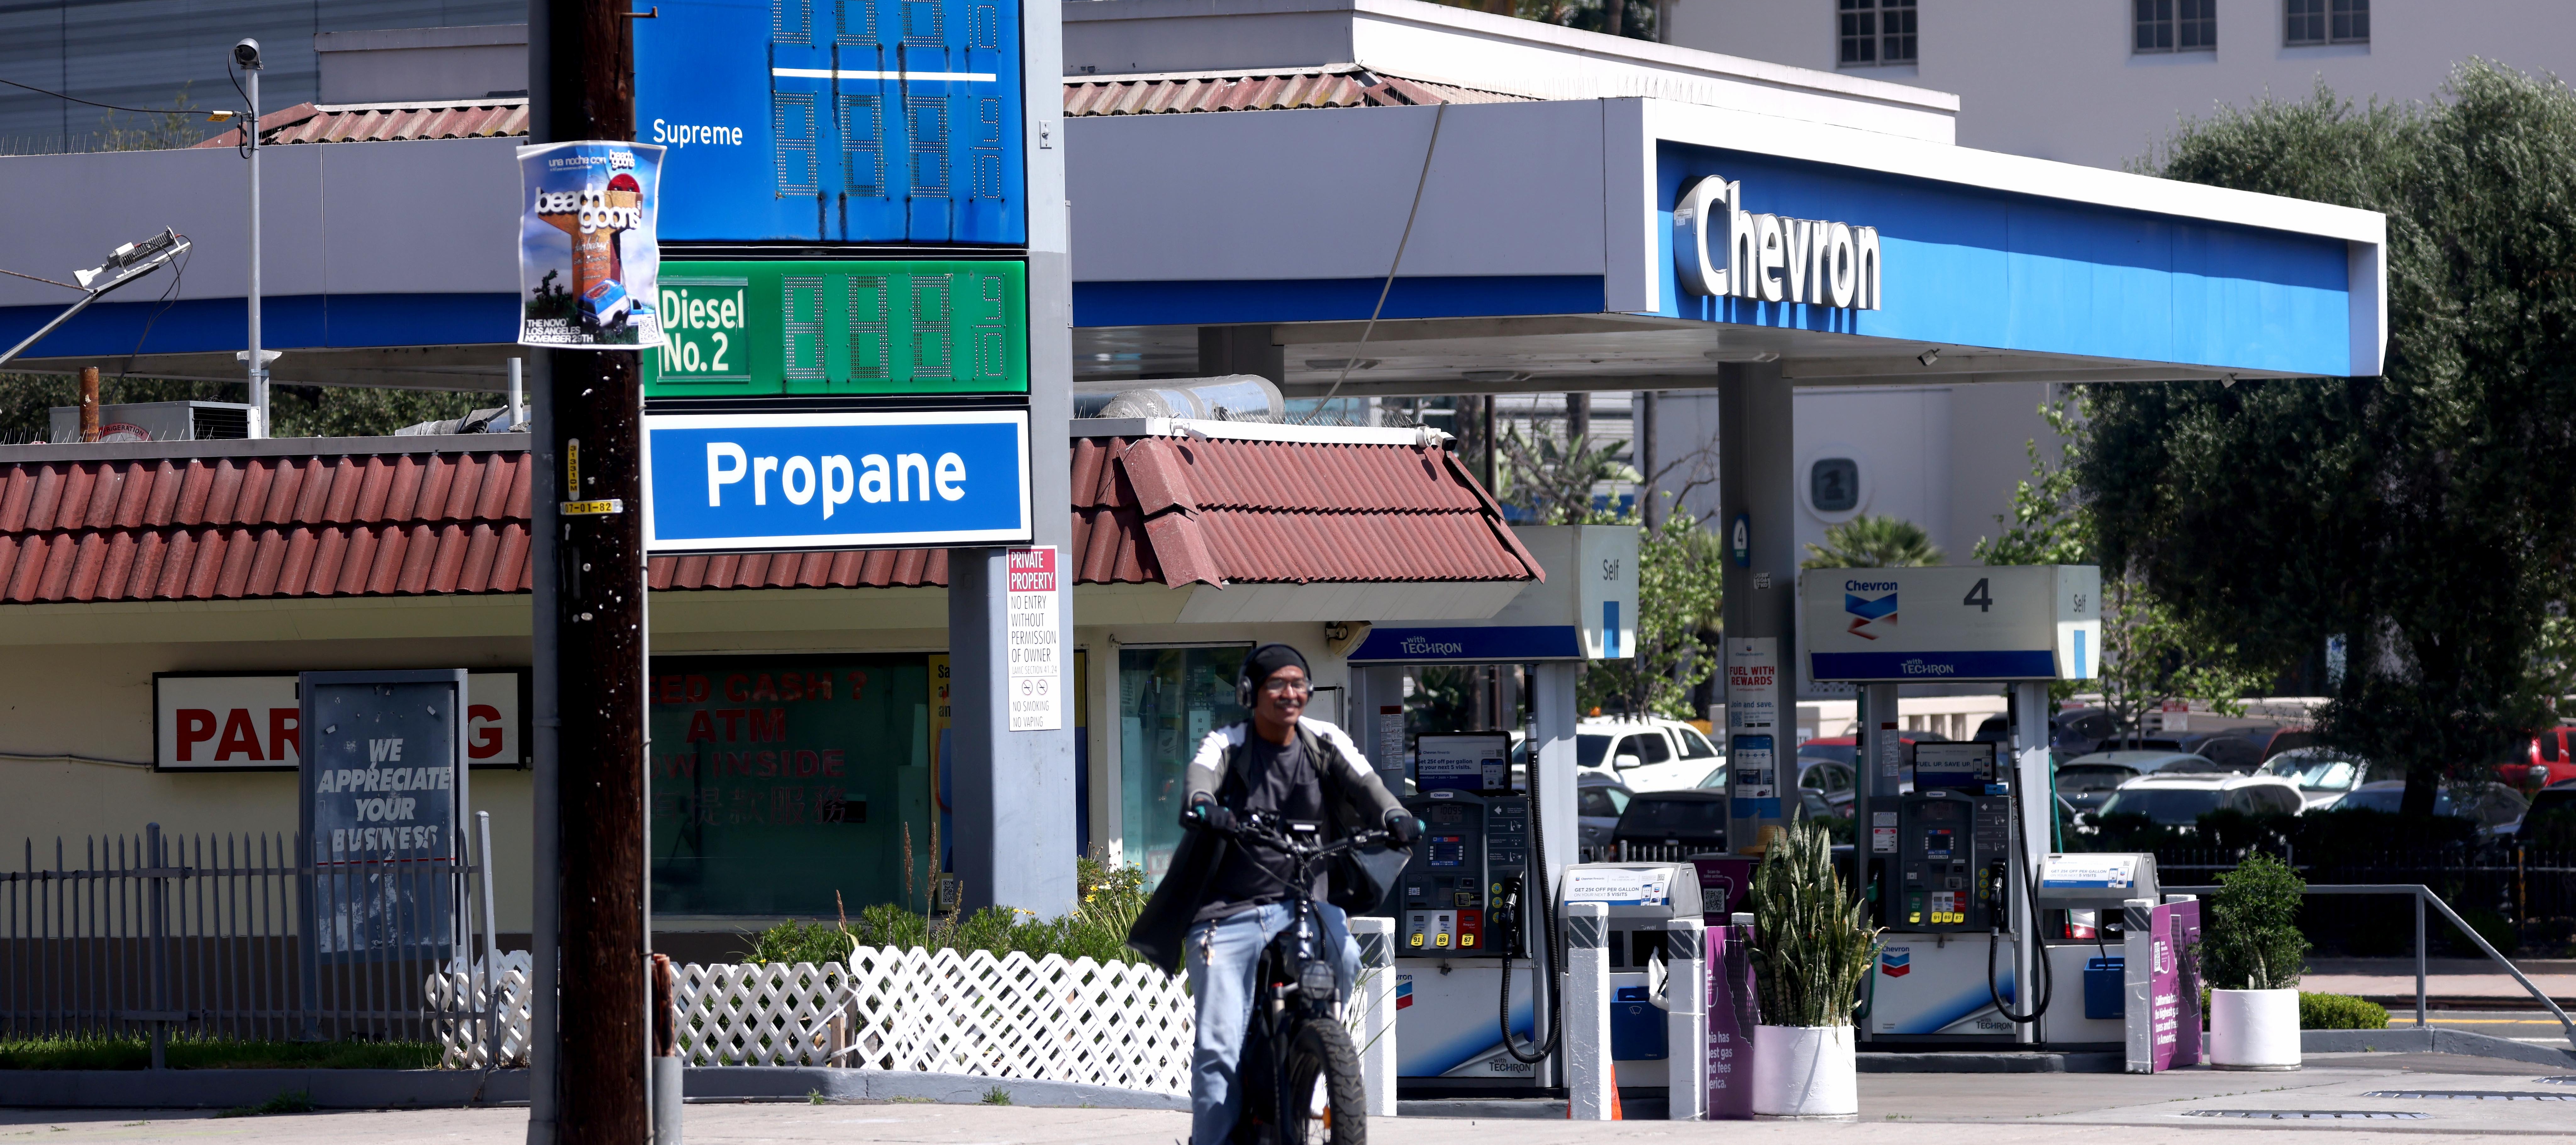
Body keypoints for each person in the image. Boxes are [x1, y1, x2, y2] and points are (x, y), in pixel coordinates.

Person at [1127, 643, 1419, 1145]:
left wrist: (1394, 816)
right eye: (1277, 684)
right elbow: (1200, 781)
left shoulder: (1324, 740)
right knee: (1219, 1046)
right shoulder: (1228, 743)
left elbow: (1368, 785)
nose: (1291, 693)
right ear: (1250, 693)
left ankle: (1318, 1040)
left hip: (1304, 905)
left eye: (1298, 683)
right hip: (1228, 913)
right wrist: (1204, 804)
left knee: (1345, 954)